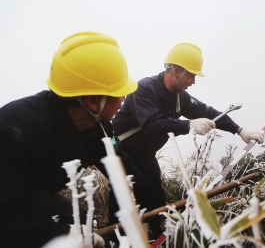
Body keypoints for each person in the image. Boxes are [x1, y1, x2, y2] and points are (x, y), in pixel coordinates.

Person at [0, 32, 159, 247]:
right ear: (94, 100)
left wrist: (161, 207)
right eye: (119, 92)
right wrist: (65, 235)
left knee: (81, 218)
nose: (124, 99)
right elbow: (9, 220)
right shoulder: (16, 132)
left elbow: (123, 169)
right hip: (10, 204)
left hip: (36, 194)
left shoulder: (98, 128)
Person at [112, 42, 265, 238]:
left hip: (144, 155)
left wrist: (240, 130)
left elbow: (208, 112)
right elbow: (151, 125)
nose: (193, 81)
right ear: (176, 71)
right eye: (191, 75)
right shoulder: (144, 89)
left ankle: (157, 238)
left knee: (156, 197)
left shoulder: (179, 97)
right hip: (120, 151)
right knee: (130, 195)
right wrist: (188, 125)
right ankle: (114, 240)